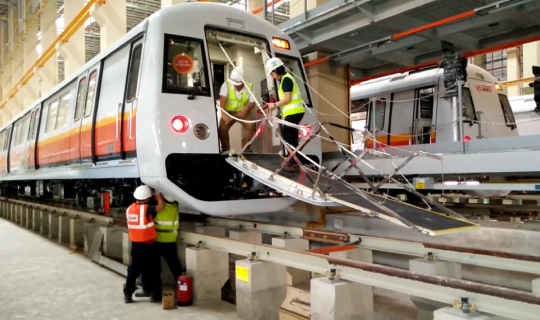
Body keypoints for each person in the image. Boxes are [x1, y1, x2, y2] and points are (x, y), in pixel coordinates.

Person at [134, 194, 183, 298]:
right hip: (170, 241)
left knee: (151, 268)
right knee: (175, 266)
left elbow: (156, 207)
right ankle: (183, 288)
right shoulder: (174, 206)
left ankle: (149, 290)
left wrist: (155, 196)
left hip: (156, 241)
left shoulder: (156, 208)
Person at [123, 185, 165, 304]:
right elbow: (161, 207)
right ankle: (155, 295)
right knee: (153, 270)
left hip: (135, 246)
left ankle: (127, 294)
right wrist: (158, 196)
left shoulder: (130, 209)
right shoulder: (146, 209)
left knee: (133, 270)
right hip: (148, 245)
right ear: (147, 198)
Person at [264, 57, 305, 172]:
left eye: (272, 74)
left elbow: (287, 99)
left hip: (294, 112)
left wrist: (274, 105)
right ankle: (292, 160)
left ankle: (294, 163)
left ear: (276, 71)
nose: (273, 77)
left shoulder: (286, 79)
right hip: (293, 113)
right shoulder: (284, 80)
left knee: (290, 137)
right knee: (289, 137)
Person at [218, 68, 256, 154]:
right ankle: (225, 149)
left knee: (250, 124)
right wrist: (223, 114)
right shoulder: (226, 85)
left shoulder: (249, 86)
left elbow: (252, 104)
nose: (236, 85)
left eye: (238, 84)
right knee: (222, 129)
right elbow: (222, 101)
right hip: (228, 112)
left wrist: (245, 109)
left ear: (243, 81)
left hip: (243, 112)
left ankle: (246, 148)